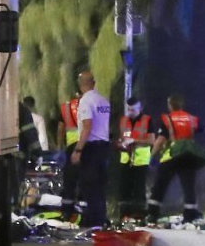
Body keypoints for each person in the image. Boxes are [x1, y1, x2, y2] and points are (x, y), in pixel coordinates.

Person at [146, 94, 205, 224]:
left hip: (172, 155)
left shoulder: (167, 119)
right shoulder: (191, 118)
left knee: (161, 184)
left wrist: (152, 155)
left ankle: (153, 213)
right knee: (189, 185)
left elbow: (160, 140)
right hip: (188, 155)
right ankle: (190, 214)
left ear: (170, 105)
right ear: (181, 105)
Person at [70, 71, 111, 228]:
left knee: (89, 186)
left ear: (80, 86)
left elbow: (87, 127)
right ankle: (101, 220)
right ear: (93, 83)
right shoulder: (103, 101)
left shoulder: (86, 102)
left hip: (91, 148)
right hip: (104, 147)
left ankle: (95, 223)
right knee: (100, 186)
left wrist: (78, 150)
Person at [115, 97, 156, 222]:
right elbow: (120, 138)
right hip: (126, 159)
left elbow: (151, 140)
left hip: (140, 160)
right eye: (128, 109)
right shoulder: (123, 120)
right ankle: (124, 216)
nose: (130, 112)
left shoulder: (147, 120)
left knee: (139, 190)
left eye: (133, 110)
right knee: (124, 189)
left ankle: (139, 216)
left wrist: (135, 140)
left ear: (140, 108)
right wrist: (120, 144)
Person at [58, 92, 83, 222]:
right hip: (85, 148)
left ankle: (67, 213)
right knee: (85, 181)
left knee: (69, 182)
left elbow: (61, 129)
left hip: (70, 148)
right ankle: (85, 213)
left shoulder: (66, 108)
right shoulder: (88, 106)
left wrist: (60, 147)